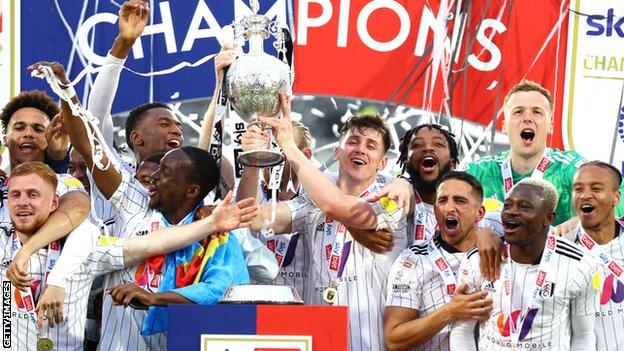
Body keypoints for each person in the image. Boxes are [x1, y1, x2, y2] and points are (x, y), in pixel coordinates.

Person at [1, 161, 257, 351]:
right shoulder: (3, 244)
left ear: (55, 203)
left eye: (33, 195)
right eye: (15, 195)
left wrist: (211, 224)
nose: (22, 202)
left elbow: (149, 244)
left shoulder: (85, 248)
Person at [247, 94, 407, 351]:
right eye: (353, 141)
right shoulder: (312, 203)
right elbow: (257, 218)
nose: (360, 149)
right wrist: (253, 160)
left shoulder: (394, 198)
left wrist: (289, 145)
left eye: (371, 146)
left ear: (383, 162)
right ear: (337, 152)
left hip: (370, 343)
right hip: (318, 340)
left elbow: (338, 206)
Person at [450, 178, 598, 350]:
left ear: (547, 218)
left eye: (524, 206)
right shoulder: (479, 259)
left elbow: (583, 336)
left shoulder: (578, 264)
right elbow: (463, 331)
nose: (511, 212)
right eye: (507, 205)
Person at [463, 80, 624, 229]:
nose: (527, 118)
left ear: (550, 126)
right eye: (518, 112)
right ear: (505, 126)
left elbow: (618, 191)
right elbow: (445, 201)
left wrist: (582, 220)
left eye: (537, 112)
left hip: (555, 258)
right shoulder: (480, 171)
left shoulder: (568, 168)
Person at [384, 171, 493, 351]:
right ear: (435, 211)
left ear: (479, 212)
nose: (449, 207)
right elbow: (394, 339)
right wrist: (450, 312)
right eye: (442, 200)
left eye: (460, 200)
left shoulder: (500, 254)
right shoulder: (412, 261)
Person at [562, 161, 624, 350]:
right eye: (578, 189)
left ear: (616, 198)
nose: (585, 195)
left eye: (596, 188)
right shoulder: (559, 250)